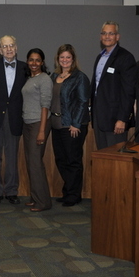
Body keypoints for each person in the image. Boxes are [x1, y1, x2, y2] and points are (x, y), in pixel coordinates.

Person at [0, 36, 26, 205]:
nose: (8, 49)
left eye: (11, 45)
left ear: (16, 48)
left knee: (12, 157)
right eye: (5, 46)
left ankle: (11, 190)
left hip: (15, 118)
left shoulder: (25, 68)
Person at [50, 44, 90, 207]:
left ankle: (74, 194)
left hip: (72, 126)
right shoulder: (54, 76)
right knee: (61, 160)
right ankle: (69, 191)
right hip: (56, 124)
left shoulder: (79, 77)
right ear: (58, 59)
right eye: (62, 57)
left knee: (73, 160)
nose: (65, 60)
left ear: (73, 59)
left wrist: (76, 124)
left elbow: (82, 102)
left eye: (68, 57)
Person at [90, 21, 136, 150]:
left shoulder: (125, 57)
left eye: (111, 33)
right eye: (104, 33)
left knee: (116, 160)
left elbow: (128, 91)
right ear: (100, 36)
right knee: (103, 158)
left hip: (115, 120)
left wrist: (122, 119)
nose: (107, 36)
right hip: (99, 118)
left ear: (117, 37)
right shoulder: (100, 57)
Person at [21, 48, 53, 212]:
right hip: (27, 123)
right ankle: (35, 198)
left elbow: (45, 105)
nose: (34, 63)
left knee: (35, 163)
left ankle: (43, 202)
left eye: (37, 60)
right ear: (27, 61)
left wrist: (41, 131)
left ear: (42, 62)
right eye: (31, 60)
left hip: (38, 124)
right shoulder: (30, 79)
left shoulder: (45, 79)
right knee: (31, 162)